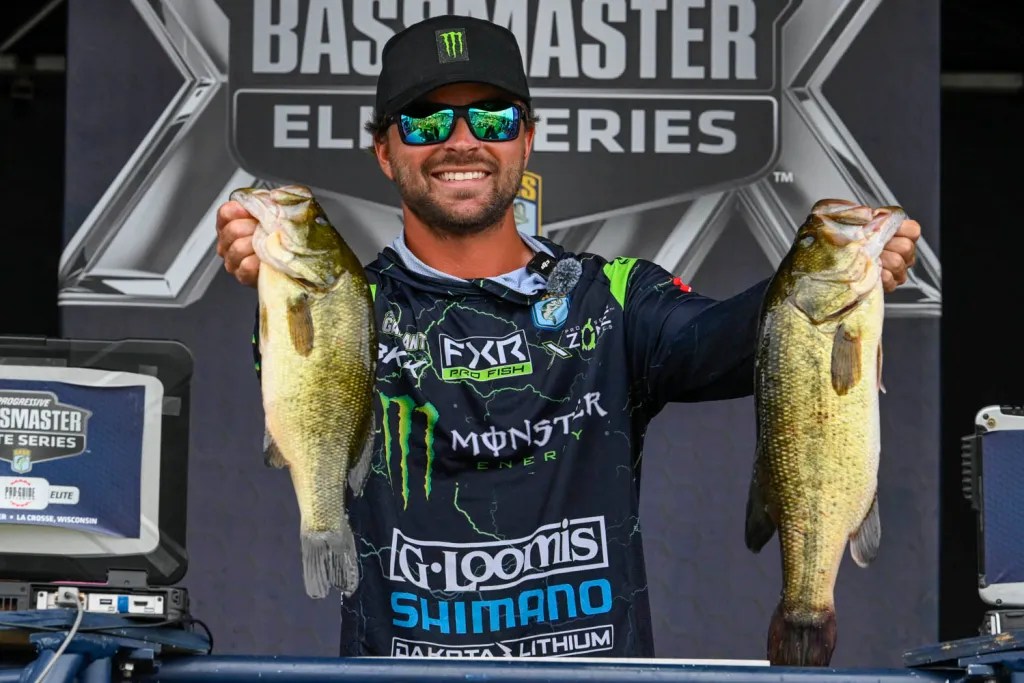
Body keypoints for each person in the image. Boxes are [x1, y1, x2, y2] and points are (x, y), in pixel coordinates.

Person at [215, 15, 920, 659]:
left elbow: (735, 340)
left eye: (492, 117)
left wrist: (830, 283)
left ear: (526, 137)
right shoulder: (348, 305)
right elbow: (298, 376)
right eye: (426, 120)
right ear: (383, 148)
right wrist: (273, 280)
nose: (461, 140)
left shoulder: (612, 297)